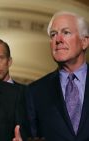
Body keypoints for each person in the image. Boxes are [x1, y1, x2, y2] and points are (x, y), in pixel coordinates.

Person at [26, 11, 89, 141]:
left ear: (84, 42)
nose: (58, 40)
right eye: (53, 34)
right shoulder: (34, 91)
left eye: (66, 32)